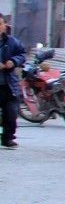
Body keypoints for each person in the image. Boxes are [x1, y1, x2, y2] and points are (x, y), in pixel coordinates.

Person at [0, 13, 26, 150]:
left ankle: (8, 138)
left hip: (8, 84)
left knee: (11, 113)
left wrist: (13, 61)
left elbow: (22, 54)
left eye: (0, 24)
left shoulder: (12, 42)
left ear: (5, 26)